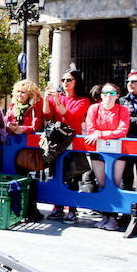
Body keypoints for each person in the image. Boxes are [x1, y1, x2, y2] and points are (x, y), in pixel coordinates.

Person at [42, 68, 91, 222]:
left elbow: (71, 117)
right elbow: (47, 115)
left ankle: (72, 208)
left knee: (72, 176)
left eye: (69, 79)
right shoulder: (58, 97)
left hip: (72, 142)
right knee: (55, 174)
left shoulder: (83, 100)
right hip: (56, 142)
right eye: (63, 80)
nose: (65, 83)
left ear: (77, 81)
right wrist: (45, 99)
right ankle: (57, 207)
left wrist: (57, 101)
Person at [84, 82, 130, 231]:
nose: (107, 97)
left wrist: (101, 134)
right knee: (102, 183)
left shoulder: (123, 110)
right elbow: (91, 129)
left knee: (114, 184)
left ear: (117, 96)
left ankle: (113, 219)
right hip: (98, 152)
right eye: (104, 93)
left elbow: (122, 131)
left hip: (117, 153)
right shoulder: (93, 108)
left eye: (111, 93)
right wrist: (99, 135)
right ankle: (105, 216)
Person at [5, 80, 44, 220]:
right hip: (13, 146)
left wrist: (22, 129)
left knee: (28, 179)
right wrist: (10, 126)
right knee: (17, 177)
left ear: (30, 94)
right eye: (18, 92)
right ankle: (19, 210)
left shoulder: (35, 106)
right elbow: (7, 120)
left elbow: (36, 125)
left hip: (28, 147)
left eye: (23, 92)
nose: (20, 95)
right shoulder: (12, 106)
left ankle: (30, 210)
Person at [119, 70, 137, 191]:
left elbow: (128, 120)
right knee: (126, 178)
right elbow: (122, 121)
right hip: (126, 143)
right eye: (128, 81)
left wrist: (130, 121)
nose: (130, 84)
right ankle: (125, 209)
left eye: (134, 81)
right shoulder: (122, 101)